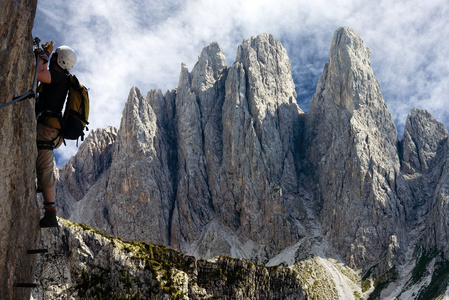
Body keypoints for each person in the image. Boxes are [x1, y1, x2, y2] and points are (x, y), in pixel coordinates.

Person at [35, 43, 77, 227]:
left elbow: (37, 74)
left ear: (58, 60)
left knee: (45, 167)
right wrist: (44, 57)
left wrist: (43, 56)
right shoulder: (62, 78)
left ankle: (51, 212)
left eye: (54, 57)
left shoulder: (59, 77)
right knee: (43, 164)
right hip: (51, 129)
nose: (52, 59)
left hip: (46, 130)